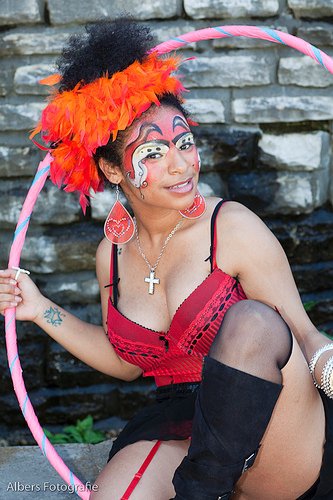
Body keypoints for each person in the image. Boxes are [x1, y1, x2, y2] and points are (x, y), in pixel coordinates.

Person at [1, 17, 333, 500]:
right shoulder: (111, 254)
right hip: (184, 424)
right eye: (154, 152)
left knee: (253, 322)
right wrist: (39, 310)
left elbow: (305, 337)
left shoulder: (232, 226)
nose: (181, 164)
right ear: (113, 169)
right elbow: (127, 362)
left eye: (184, 143)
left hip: (277, 426)